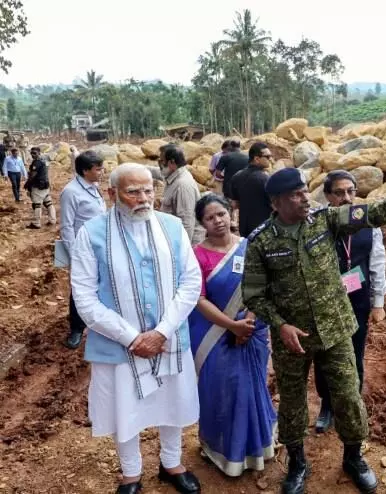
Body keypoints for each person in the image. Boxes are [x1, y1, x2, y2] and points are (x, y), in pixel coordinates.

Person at [242, 167, 386, 494]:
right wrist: (280, 324)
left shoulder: (325, 219)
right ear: (275, 202)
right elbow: (253, 294)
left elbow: (374, 212)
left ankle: (354, 456)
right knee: (293, 401)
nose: (304, 198)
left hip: (336, 329)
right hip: (292, 339)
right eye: (296, 195)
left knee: (348, 394)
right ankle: (297, 463)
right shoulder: (261, 242)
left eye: (303, 191)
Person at [70, 163, 202, 494]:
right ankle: (131, 473)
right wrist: (131, 337)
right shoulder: (92, 233)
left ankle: (171, 464)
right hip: (118, 345)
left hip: (167, 338)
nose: (144, 198)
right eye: (133, 192)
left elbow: (190, 280)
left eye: (148, 190)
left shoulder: (172, 227)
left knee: (172, 401)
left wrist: (162, 331)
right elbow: (83, 297)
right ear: (112, 194)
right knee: (123, 406)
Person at [188, 194, 278, 477]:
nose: (218, 221)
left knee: (252, 386)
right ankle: (222, 450)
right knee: (222, 390)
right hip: (214, 334)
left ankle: (257, 446)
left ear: (231, 214)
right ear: (201, 223)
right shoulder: (196, 255)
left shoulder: (249, 247)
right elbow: (198, 299)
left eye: (222, 214)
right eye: (210, 217)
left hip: (252, 330)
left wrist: (247, 323)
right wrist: (231, 325)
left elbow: (262, 286)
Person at [313, 170, 386, 434]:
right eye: (340, 192)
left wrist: (378, 302)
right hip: (324, 302)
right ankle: (327, 404)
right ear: (327, 195)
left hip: (358, 299)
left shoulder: (368, 223)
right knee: (324, 354)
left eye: (351, 191)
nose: (347, 198)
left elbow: (377, 263)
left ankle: (351, 403)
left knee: (356, 352)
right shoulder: (318, 223)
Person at [60, 150, 107, 349]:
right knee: (80, 287)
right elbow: (67, 226)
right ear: (86, 171)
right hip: (82, 249)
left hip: (100, 244)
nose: (102, 172)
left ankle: (98, 320)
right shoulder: (71, 192)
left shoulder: (94, 186)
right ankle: (77, 329)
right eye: (98, 169)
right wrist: (74, 256)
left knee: (102, 282)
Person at [158, 144, 202, 242]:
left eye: (161, 161)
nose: (159, 165)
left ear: (171, 162)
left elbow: (187, 222)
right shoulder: (174, 175)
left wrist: (182, 249)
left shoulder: (182, 185)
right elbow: (157, 172)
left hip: (185, 242)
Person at [229, 142, 273, 237]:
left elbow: (235, 204)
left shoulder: (236, 177)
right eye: (267, 157)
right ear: (257, 159)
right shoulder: (265, 179)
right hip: (264, 229)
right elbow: (275, 205)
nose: (270, 159)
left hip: (244, 228)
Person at [23, 147, 56, 229]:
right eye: (31, 153)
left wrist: (27, 184)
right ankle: (52, 220)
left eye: (34, 153)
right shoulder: (44, 161)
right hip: (45, 186)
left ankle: (36, 223)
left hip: (38, 187)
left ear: (39, 153)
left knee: (37, 205)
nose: (32, 154)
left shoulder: (37, 162)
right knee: (49, 203)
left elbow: (33, 175)